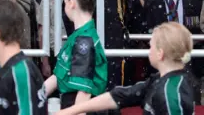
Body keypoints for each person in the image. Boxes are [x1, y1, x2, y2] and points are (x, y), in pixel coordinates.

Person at [55, 22, 195, 115]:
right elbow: (120, 96)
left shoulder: (170, 92)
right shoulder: (160, 81)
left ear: (160, 53)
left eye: (151, 46)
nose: (148, 50)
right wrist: (71, 111)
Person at [43, 0, 107, 110]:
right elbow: (58, 77)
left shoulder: (84, 42)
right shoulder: (78, 36)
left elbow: (83, 97)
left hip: (77, 107)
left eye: (64, 1)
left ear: (72, 3)